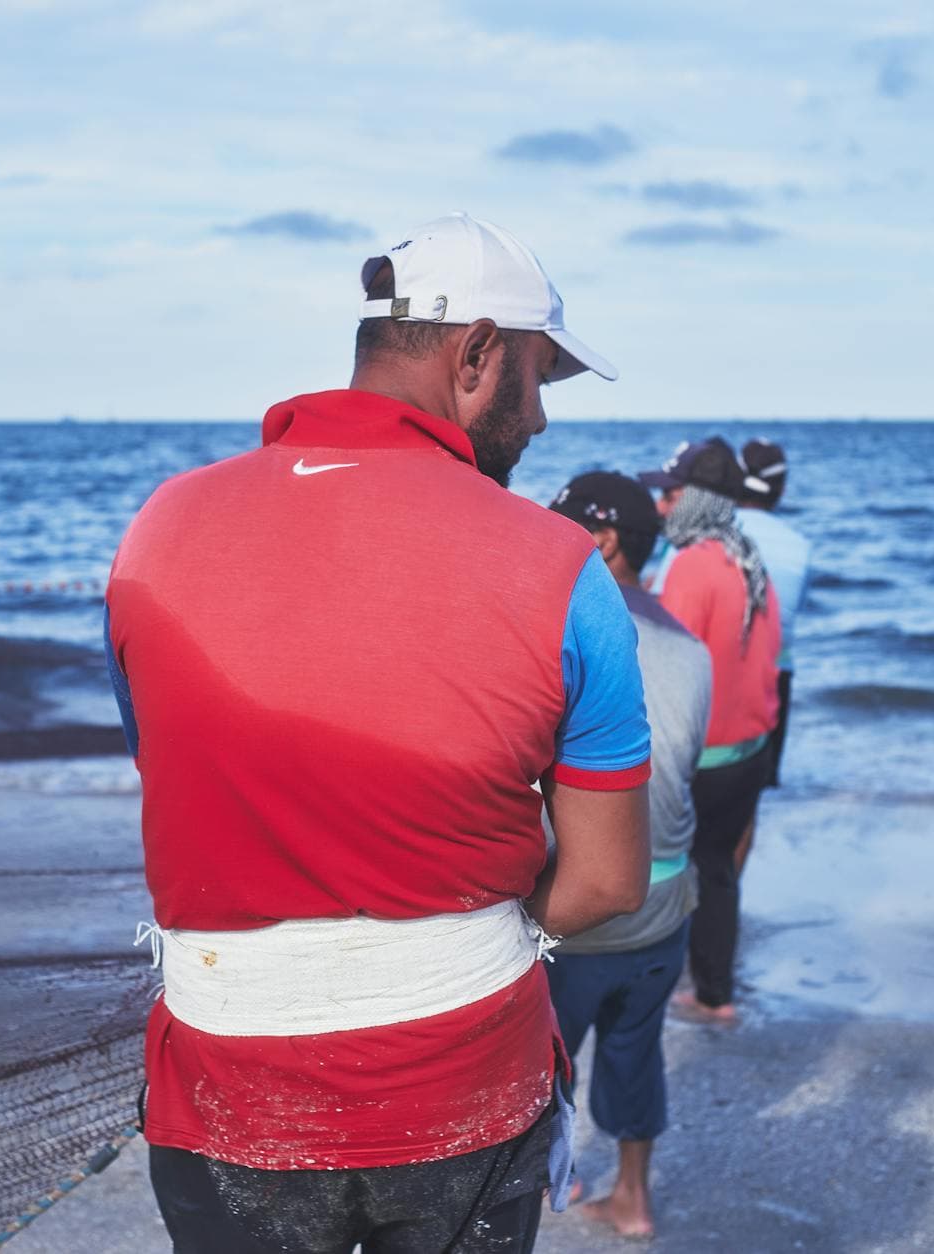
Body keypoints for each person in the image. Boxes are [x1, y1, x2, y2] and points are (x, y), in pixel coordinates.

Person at [104, 212, 652, 1254]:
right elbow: (606, 884)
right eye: (538, 377)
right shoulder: (560, 570)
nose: (539, 418)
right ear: (477, 354)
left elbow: (182, 772)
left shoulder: (158, 528)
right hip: (458, 1083)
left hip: (226, 1082)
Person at [544, 471, 711, 1241]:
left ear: (601, 541)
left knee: (545, 1064)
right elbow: (682, 771)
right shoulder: (693, 646)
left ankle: (554, 1178)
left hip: (580, 909)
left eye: (562, 527)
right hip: (668, 904)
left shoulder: (566, 626)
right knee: (636, 1054)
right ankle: (635, 1198)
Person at [639, 438, 781, 1023]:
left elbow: (666, 666)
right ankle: (715, 994)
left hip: (702, 755)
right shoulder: (748, 556)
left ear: (696, 498)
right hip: (750, 748)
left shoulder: (690, 564)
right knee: (719, 869)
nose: (662, 507)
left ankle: (646, 983)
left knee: (665, 869)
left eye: (671, 494)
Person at [735, 438, 811, 790]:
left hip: (718, 667)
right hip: (776, 674)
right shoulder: (799, 546)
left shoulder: (704, 533)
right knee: (758, 785)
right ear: (780, 488)